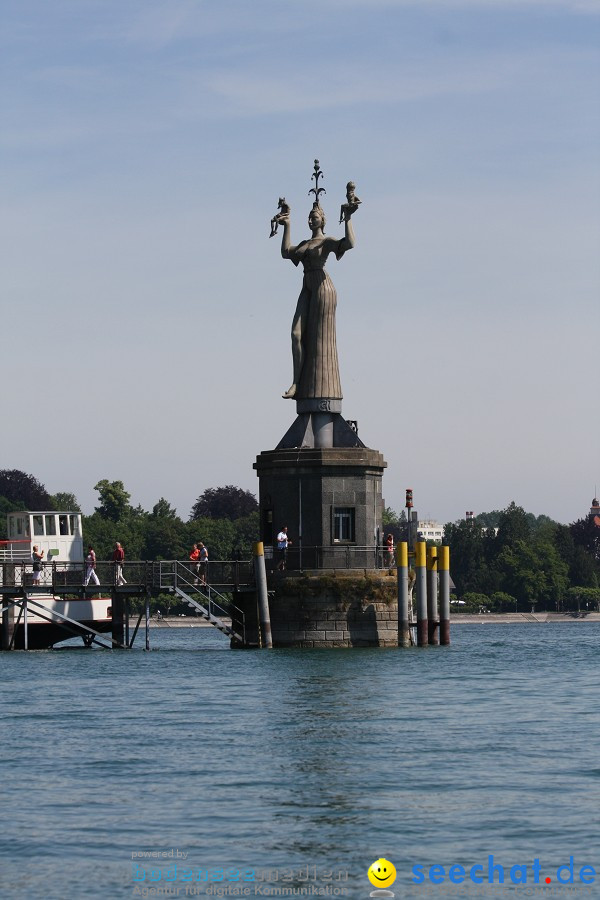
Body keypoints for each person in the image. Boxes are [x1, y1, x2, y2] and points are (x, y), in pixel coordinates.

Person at [278, 192, 356, 401]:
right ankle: (297, 382)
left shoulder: (326, 242)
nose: (311, 219)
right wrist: (287, 224)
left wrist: (348, 218)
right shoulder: (305, 244)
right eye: (310, 217)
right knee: (296, 334)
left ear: (323, 220)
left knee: (320, 339)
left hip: (322, 287)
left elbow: (349, 243)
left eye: (315, 216)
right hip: (307, 285)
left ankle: (318, 387)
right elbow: (286, 252)